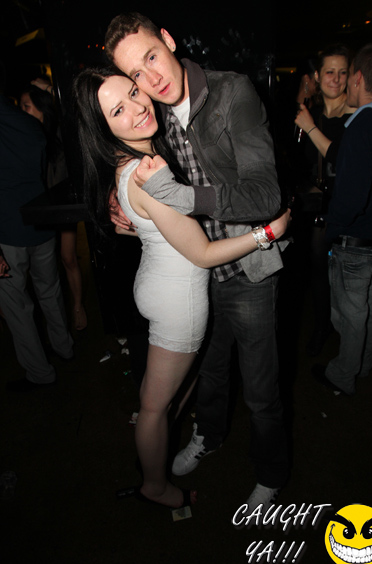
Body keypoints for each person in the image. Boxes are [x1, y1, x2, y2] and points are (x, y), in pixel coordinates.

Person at [71, 66, 290, 510]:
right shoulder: (144, 168)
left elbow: (162, 218)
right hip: (182, 294)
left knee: (236, 387)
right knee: (160, 402)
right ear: (104, 128)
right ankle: (160, 480)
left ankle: (260, 470)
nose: (138, 107)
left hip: (192, 281)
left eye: (134, 92)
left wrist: (134, 216)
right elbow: (201, 252)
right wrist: (268, 233)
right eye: (117, 110)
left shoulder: (156, 142)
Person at [311, 42, 372, 397]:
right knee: (371, 314)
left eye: (346, 74)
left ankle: (342, 375)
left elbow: (351, 199)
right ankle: (363, 364)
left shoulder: (361, 128)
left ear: (358, 78)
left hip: (356, 244)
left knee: (349, 317)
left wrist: (331, 227)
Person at [0, 64, 74, 392]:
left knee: (17, 306)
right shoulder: (32, 126)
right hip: (41, 223)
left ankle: (40, 373)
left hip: (8, 231)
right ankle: (64, 347)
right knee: (49, 290)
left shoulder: (16, 123)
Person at [293, 45, 355, 356]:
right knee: (318, 269)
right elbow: (296, 156)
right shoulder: (311, 113)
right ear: (317, 76)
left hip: (346, 206)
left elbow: (342, 158)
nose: (336, 79)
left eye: (343, 72)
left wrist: (310, 127)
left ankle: (347, 338)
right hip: (318, 207)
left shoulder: (356, 115)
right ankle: (321, 326)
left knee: (346, 275)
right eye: (329, 72)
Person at [20, 80, 87, 331]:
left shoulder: (59, 132)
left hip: (64, 205)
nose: (22, 112)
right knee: (48, 266)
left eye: (27, 106)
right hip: (41, 207)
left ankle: (78, 306)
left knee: (68, 257)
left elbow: (74, 109)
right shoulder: (26, 136)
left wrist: (50, 89)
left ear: (41, 108)